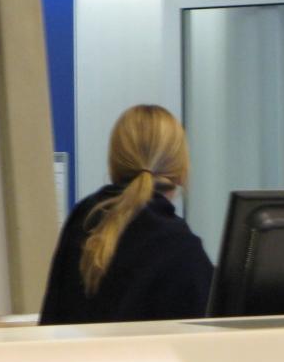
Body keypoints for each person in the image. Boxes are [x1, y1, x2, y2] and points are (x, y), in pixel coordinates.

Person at [39, 104, 213, 325]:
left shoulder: (83, 218)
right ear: (181, 173)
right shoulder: (180, 245)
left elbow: (53, 318)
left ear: (115, 164)